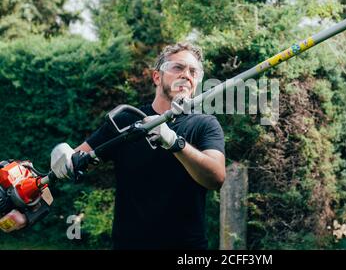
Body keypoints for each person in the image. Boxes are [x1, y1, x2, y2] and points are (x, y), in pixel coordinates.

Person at [50, 42, 226, 250]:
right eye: (178, 67)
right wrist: (62, 153)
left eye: (193, 71)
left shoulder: (205, 125)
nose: (187, 75)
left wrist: (174, 142)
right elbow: (76, 157)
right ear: (157, 77)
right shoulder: (126, 120)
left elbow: (216, 178)